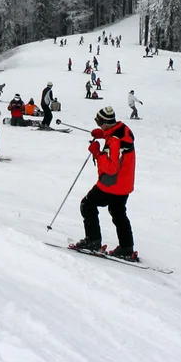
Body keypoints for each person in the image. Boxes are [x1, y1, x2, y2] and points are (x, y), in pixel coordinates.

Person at [70, 107, 136, 259]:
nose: (98, 125)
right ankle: (126, 247)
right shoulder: (123, 130)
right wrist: (103, 134)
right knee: (118, 212)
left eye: (99, 122)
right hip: (125, 183)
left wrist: (97, 153)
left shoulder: (115, 140)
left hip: (111, 184)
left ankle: (93, 240)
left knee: (87, 204)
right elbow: (118, 147)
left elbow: (111, 168)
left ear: (105, 122)